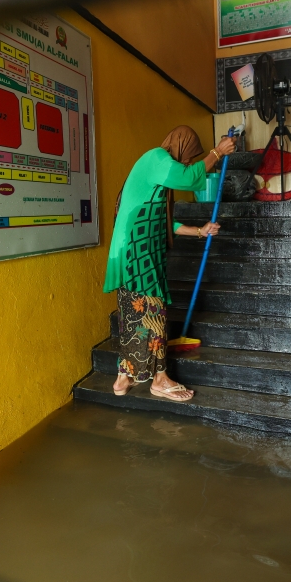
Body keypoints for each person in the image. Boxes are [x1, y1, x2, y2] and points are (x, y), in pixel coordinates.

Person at [103, 125, 236, 402]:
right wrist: (217, 152)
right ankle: (160, 379)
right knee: (154, 310)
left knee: (132, 311)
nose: (187, 162)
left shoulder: (156, 175)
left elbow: (164, 223)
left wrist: (200, 230)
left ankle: (123, 377)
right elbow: (187, 177)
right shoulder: (156, 158)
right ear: (180, 146)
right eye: (188, 156)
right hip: (137, 251)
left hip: (135, 249)